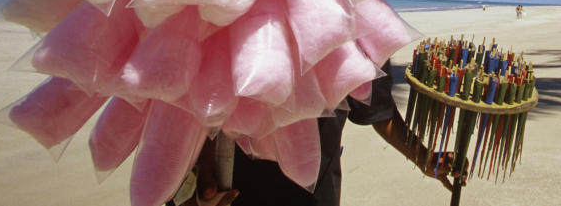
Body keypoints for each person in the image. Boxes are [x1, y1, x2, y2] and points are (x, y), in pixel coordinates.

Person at [183, 61, 463, 206]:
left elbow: (377, 109)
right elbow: (200, 96)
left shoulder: (354, 10)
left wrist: (423, 156)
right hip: (231, 185)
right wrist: (200, 172)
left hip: (314, 191)